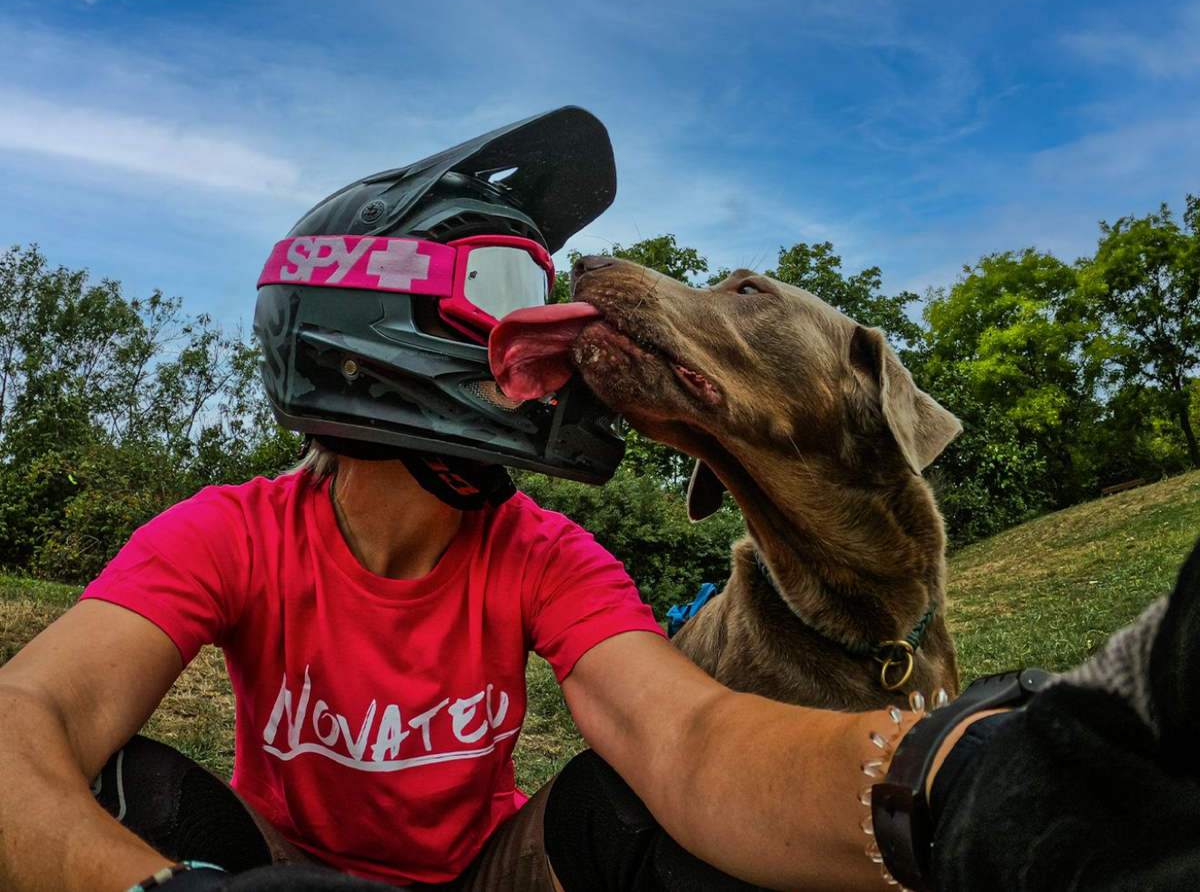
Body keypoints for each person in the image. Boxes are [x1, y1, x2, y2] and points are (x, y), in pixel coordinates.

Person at [0, 106, 1191, 892]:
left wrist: (941, 778)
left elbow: (693, 739)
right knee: (116, 790)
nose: (556, 319)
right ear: (361, 332)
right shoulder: (230, 534)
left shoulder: (544, 555)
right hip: (271, 860)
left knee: (636, 807)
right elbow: (19, 724)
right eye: (508, 280)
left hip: (486, 873)